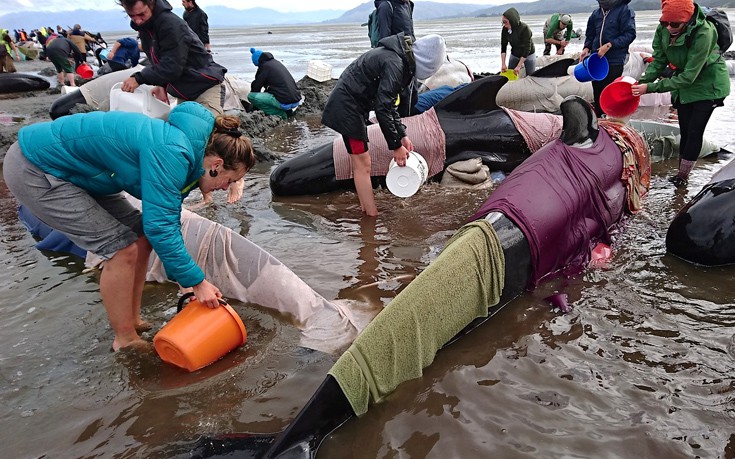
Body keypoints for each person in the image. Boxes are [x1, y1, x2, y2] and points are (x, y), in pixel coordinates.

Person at [2, 102, 256, 351]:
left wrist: (186, 284)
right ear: (216, 165)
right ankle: (125, 339)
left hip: (83, 174)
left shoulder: (188, 150)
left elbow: (165, 222)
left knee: (141, 235)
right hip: (36, 167)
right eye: (229, 180)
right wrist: (198, 282)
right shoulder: (174, 151)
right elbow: (161, 228)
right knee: (121, 249)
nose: (225, 188)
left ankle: (133, 321)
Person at [321, 33, 446, 216]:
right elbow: (382, 109)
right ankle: (371, 215)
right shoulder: (395, 64)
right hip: (347, 109)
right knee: (362, 164)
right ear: (426, 63)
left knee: (361, 163)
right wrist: (395, 146)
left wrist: (402, 135)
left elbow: (389, 106)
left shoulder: (399, 59)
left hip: (353, 106)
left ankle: (367, 210)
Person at [632, 0, 730, 187]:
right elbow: (659, 61)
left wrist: (650, 89)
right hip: (683, 85)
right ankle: (680, 172)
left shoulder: (704, 32)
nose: (669, 27)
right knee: (684, 131)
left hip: (708, 85)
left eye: (674, 24)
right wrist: (641, 83)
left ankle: (682, 177)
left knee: (694, 131)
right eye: (665, 23)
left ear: (687, 20)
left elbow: (689, 77)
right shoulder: (663, 30)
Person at [117, 0, 227, 116]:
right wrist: (161, 84)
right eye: (132, 16)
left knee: (209, 130)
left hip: (205, 86)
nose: (137, 21)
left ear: (151, 3)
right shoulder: (146, 28)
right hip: (185, 92)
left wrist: (139, 78)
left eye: (141, 14)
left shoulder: (171, 24)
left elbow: (172, 67)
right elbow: (160, 58)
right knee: (182, 132)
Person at [580, 0, 636, 117]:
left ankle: (612, 121)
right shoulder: (596, 13)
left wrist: (609, 45)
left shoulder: (624, 10)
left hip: (615, 60)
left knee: (610, 94)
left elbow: (630, 34)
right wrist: (586, 48)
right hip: (596, 60)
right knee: (598, 92)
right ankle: (600, 122)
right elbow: (590, 34)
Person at [248, 47, 302, 119]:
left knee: (251, 96)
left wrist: (254, 106)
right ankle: (288, 111)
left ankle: (281, 114)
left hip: (285, 102)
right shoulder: (276, 63)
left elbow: (256, 88)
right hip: (295, 99)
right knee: (272, 93)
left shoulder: (264, 67)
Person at [500, 8, 536, 76]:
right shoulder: (505, 29)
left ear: (512, 21)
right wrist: (503, 64)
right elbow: (503, 47)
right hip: (515, 53)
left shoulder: (525, 28)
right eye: (502, 22)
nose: (504, 24)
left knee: (531, 76)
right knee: (510, 74)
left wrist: (519, 66)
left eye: (505, 22)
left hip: (528, 53)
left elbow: (527, 48)